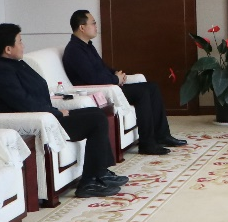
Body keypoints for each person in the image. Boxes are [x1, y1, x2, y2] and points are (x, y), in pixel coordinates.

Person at [0, 23, 126, 198]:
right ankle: (89, 183)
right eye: (20, 41)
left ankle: (100, 172)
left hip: (46, 115)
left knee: (96, 113)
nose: (23, 45)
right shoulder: (0, 73)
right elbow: (25, 104)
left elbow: (35, 94)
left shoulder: (14, 64)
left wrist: (54, 110)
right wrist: (55, 113)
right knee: (96, 121)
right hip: (37, 123)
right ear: (8, 49)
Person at [61, 10, 188, 155]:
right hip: (98, 92)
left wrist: (117, 73)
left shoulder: (88, 46)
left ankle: (162, 135)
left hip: (109, 86)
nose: (96, 26)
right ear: (82, 27)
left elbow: (103, 68)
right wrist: (116, 79)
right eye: (93, 23)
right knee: (142, 92)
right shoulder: (74, 51)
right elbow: (92, 79)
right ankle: (147, 144)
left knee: (152, 87)